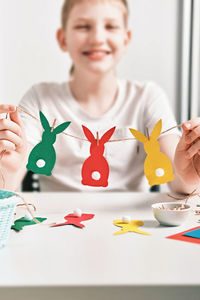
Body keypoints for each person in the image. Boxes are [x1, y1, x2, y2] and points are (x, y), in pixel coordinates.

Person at [0, 0, 200, 193]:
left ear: (126, 39)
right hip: (55, 223)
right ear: (62, 39)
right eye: (83, 26)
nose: (97, 38)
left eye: (111, 26)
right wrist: (6, 166)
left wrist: (188, 174)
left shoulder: (147, 97)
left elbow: (178, 178)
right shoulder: (40, 98)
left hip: (132, 223)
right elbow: (9, 180)